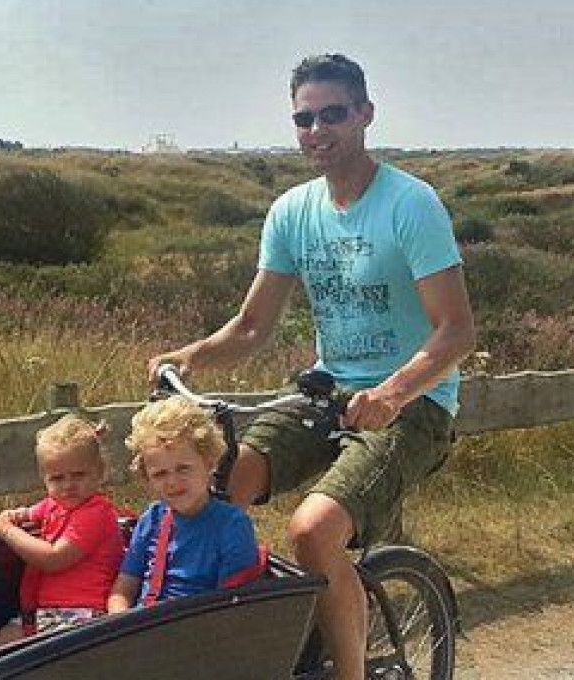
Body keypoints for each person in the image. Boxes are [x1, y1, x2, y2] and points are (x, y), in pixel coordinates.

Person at [146, 53, 476, 680]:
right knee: (215, 487)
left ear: (365, 115)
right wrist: (192, 356)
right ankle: (247, 647)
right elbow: (250, 327)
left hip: (416, 405)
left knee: (312, 531)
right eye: (304, 119)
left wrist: (394, 391)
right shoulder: (292, 212)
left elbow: (456, 330)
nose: (317, 131)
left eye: (333, 114)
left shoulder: (412, 204)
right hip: (327, 395)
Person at [0, 414, 129, 651]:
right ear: (45, 479)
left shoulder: (96, 513)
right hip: (44, 614)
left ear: (100, 472)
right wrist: (11, 517)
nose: (68, 485)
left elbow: (53, 559)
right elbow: (27, 514)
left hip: (81, 616)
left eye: (79, 475)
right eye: (57, 478)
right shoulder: (54, 505)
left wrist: (6, 531)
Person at [105, 396, 264, 613]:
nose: (172, 482)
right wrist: (119, 620)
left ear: (209, 463)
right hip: (142, 627)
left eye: (183, 469)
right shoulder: (152, 519)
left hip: (199, 629)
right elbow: (124, 587)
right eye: (160, 474)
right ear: (147, 478)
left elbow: (234, 605)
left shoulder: (232, 526)